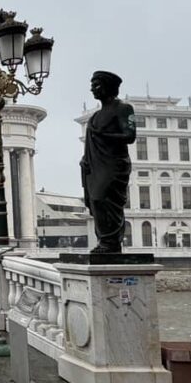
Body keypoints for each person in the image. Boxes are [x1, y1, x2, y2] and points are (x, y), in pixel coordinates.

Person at [81, 70, 137, 253]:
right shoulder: (95, 117)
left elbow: (130, 136)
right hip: (96, 165)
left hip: (114, 165)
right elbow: (90, 143)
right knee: (95, 201)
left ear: (108, 86)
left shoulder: (123, 108)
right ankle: (104, 242)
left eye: (96, 85)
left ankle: (112, 243)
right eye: (91, 85)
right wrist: (85, 160)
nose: (92, 89)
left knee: (105, 199)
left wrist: (105, 135)